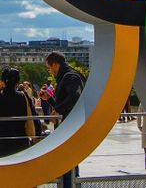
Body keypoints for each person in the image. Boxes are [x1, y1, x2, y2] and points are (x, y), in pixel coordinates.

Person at [42, 51, 85, 188]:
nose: (49, 70)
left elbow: (74, 98)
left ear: (55, 64)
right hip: (69, 126)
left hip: (69, 128)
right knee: (68, 164)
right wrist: (50, 100)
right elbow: (67, 103)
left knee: (68, 164)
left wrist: (58, 110)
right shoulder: (70, 76)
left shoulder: (70, 77)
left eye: (49, 67)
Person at [0, 67, 32, 159]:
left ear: (3, 81)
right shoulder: (22, 96)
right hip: (20, 137)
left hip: (1, 137)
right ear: (17, 81)